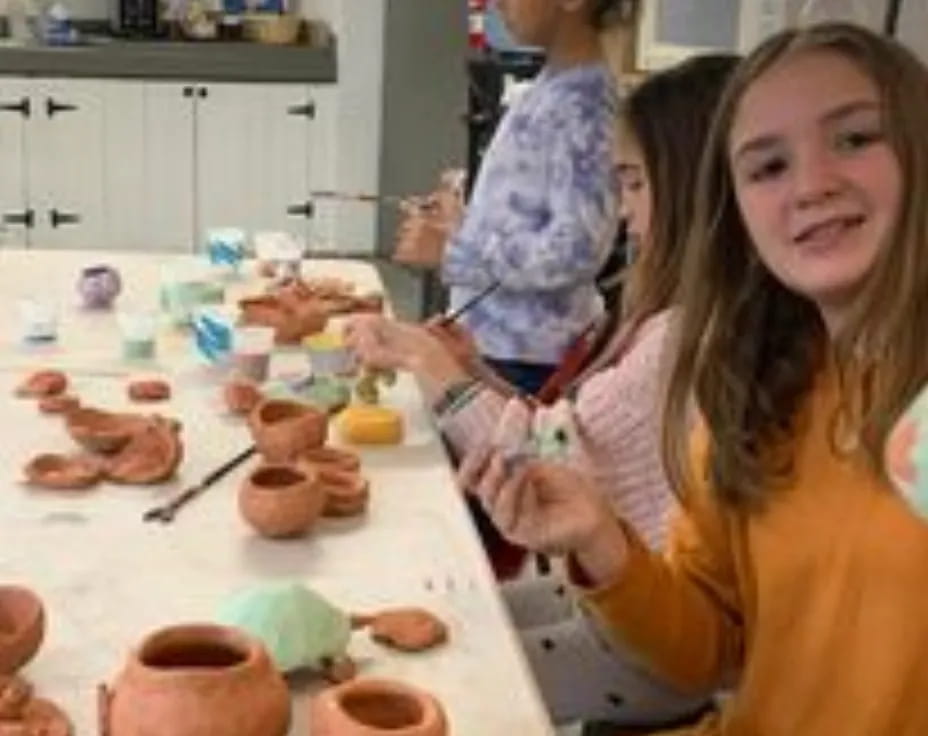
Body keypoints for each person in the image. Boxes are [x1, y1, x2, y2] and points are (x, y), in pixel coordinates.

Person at [462, 23, 928, 735]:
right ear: (734, 209)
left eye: (856, 138)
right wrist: (600, 538)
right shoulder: (753, 390)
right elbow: (708, 649)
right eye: (767, 167)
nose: (811, 185)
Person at [346, 54, 740, 729]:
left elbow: (547, 468)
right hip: (608, 602)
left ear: (693, 189)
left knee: (429, 679)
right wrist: (470, 369)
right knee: (413, 624)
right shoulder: (670, 320)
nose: (623, 214)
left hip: (645, 644)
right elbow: (565, 425)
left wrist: (426, 361)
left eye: (636, 185)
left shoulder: (684, 341)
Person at [395, 0, 635, 396]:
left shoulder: (586, 107)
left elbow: (576, 250)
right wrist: (462, 220)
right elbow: (528, 212)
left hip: (525, 361)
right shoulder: (554, 83)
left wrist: (455, 252)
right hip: (491, 346)